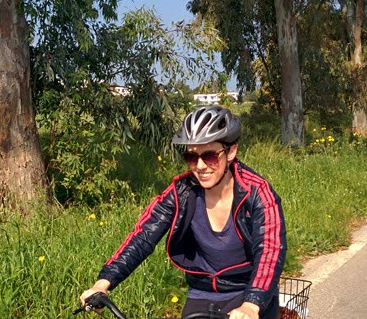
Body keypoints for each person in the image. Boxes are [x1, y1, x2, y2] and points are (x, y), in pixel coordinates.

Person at [80, 106, 286, 319]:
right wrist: (102, 283)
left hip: (247, 292)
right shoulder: (181, 191)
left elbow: (270, 250)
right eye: (190, 157)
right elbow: (142, 237)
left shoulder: (258, 192)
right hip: (202, 293)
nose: (200, 166)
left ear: (231, 152)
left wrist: (251, 304)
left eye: (210, 156)